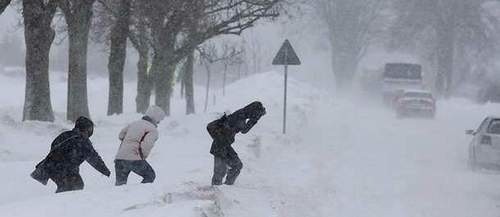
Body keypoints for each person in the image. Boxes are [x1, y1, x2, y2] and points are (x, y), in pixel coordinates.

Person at [30, 116, 111, 193]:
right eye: (90, 129)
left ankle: (61, 202)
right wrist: (105, 171)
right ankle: (62, 203)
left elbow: (53, 147)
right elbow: (94, 158)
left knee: (68, 186)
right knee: (75, 185)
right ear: (86, 130)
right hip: (64, 169)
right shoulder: (82, 140)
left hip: (50, 167)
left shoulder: (65, 135)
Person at [207, 101, 266, 185]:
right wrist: (255, 119)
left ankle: (228, 187)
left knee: (237, 166)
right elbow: (244, 130)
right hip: (219, 146)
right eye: (256, 113)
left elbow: (244, 129)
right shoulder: (239, 115)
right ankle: (214, 192)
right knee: (220, 171)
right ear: (253, 111)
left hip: (225, 146)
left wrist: (255, 118)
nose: (255, 115)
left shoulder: (242, 115)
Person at [114, 105, 166, 186]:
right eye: (159, 120)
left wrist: (130, 140)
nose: (159, 123)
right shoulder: (152, 129)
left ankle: (119, 198)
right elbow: (147, 145)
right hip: (134, 158)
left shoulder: (134, 123)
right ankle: (138, 195)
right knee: (150, 175)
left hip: (119, 159)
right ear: (155, 119)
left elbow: (121, 135)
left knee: (120, 185)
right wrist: (142, 157)